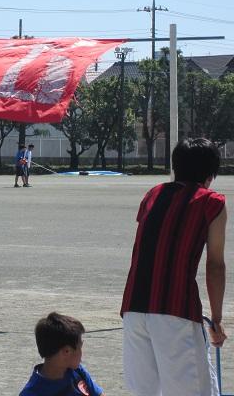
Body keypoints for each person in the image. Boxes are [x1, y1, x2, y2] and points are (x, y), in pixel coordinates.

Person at [121, 138, 227, 396]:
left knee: (146, 392)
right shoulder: (211, 202)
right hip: (175, 308)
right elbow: (215, 266)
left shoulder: (152, 195)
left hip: (134, 307)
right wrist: (216, 319)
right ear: (210, 175)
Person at [19, 312, 104, 396]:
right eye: (80, 347)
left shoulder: (77, 371)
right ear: (66, 352)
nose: (82, 352)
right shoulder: (32, 393)